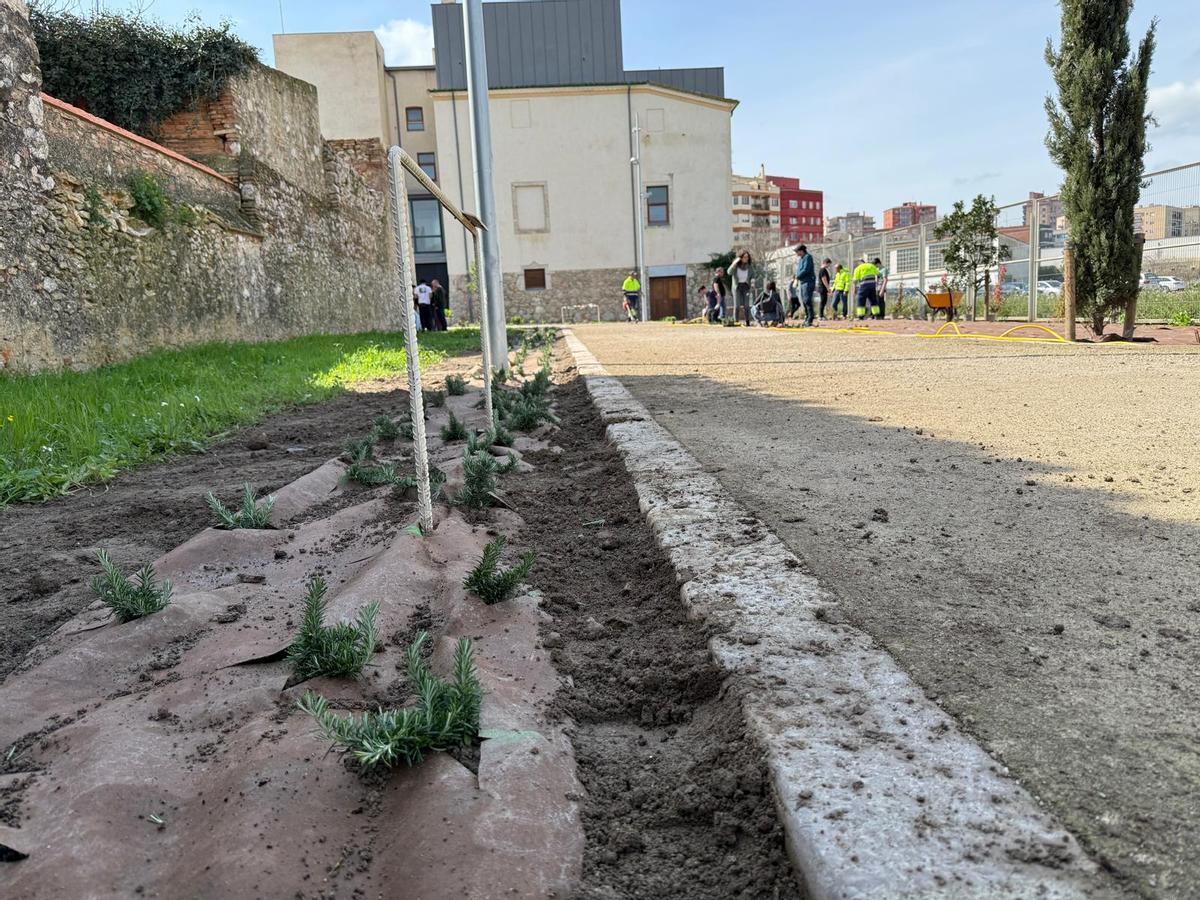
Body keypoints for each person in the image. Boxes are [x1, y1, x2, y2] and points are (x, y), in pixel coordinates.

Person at [852, 255, 881, 320]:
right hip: (872, 285)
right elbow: (878, 275)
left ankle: (861, 316)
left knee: (861, 299)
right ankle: (876, 315)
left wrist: (854, 290)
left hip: (864, 285)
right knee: (873, 300)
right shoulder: (871, 266)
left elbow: (855, 281)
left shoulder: (857, 268)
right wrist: (876, 284)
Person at [794, 244, 816, 326]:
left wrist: (798, 276)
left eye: (797, 251)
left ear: (801, 251)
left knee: (807, 300)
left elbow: (806, 269)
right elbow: (799, 270)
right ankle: (807, 317)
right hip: (803, 282)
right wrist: (796, 278)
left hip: (808, 281)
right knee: (804, 300)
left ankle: (810, 318)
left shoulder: (808, 257)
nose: (796, 253)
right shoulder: (801, 259)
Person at [730, 250, 754, 326]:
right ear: (740, 258)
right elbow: (729, 272)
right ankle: (736, 321)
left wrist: (752, 282)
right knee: (737, 306)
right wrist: (733, 264)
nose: (746, 258)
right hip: (737, 287)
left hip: (746, 286)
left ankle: (747, 322)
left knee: (746, 306)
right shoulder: (736, 266)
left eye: (747, 257)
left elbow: (753, 275)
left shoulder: (749, 266)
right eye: (744, 257)